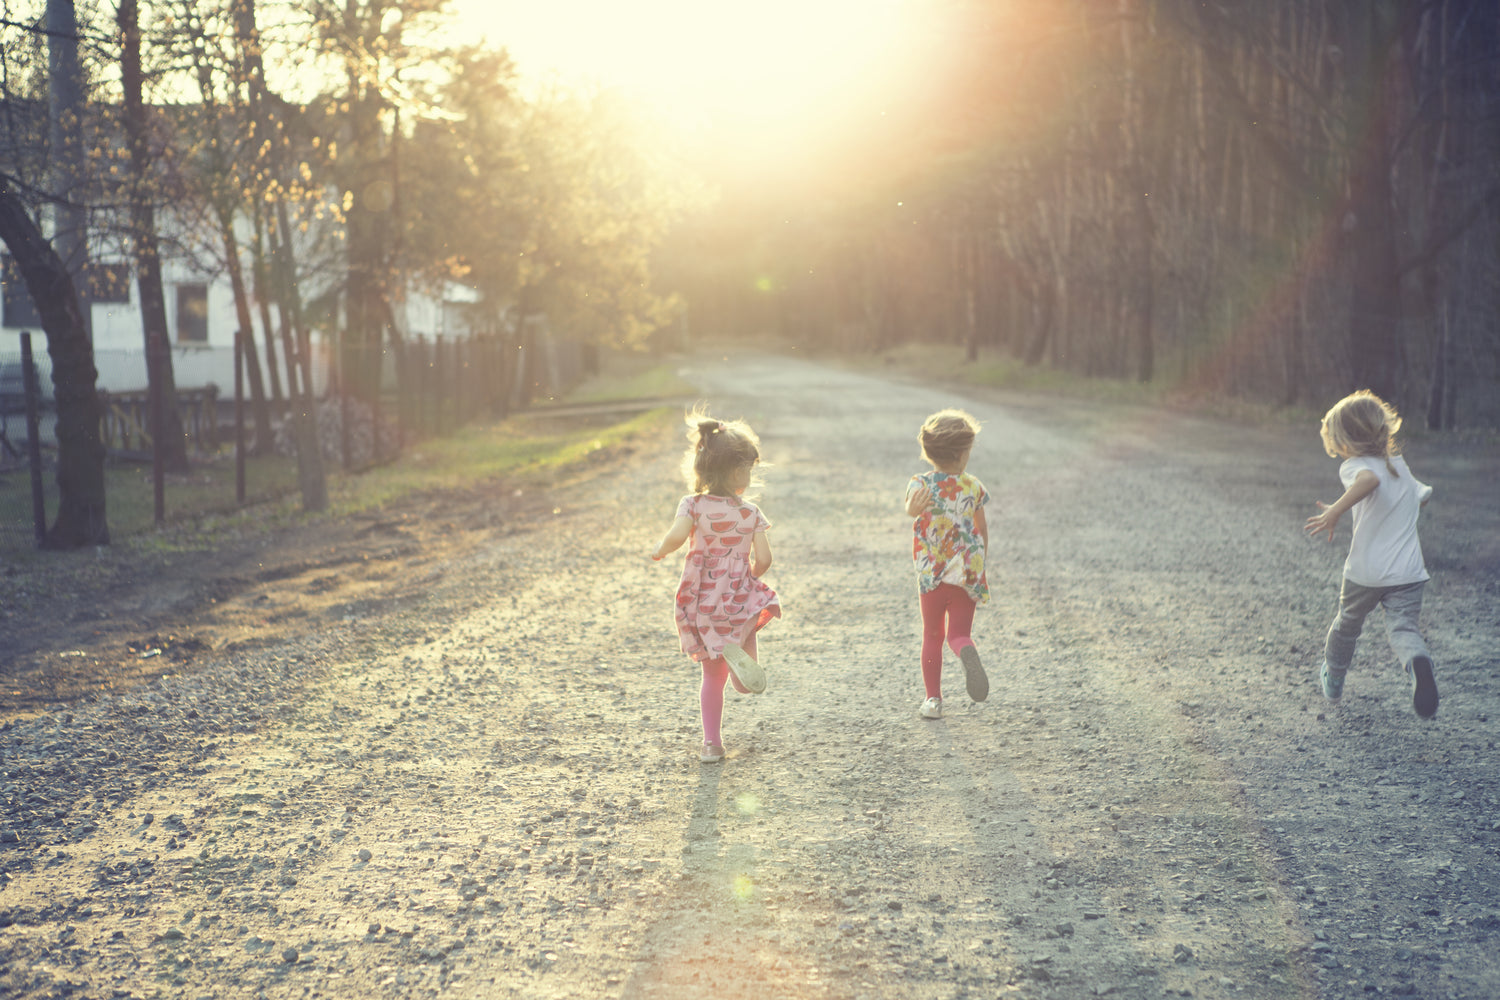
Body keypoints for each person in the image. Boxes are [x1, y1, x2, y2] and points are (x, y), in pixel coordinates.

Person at [651, 410, 781, 762]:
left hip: (706, 597)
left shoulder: (692, 505)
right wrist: (748, 575)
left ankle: (712, 744)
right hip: (738, 595)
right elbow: (764, 560)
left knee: (712, 675)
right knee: (745, 623)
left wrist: (661, 549)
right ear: (738, 472)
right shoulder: (751, 512)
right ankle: (743, 660)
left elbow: (678, 536)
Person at [1304, 390, 1438, 718]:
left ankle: (1334, 677)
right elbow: (1423, 496)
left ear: (1346, 440)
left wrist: (1334, 511)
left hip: (1367, 571)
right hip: (1407, 571)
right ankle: (1417, 663)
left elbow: (1369, 480)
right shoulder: (1398, 465)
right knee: (1404, 628)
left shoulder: (1356, 466)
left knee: (1347, 623)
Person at [904, 408, 990, 719]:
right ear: (961, 453)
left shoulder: (920, 484)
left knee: (932, 635)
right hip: (966, 572)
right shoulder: (973, 486)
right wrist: (980, 567)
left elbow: (911, 510)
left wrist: (912, 511)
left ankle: (933, 701)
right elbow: (981, 528)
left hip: (932, 574)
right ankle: (967, 648)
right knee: (957, 634)